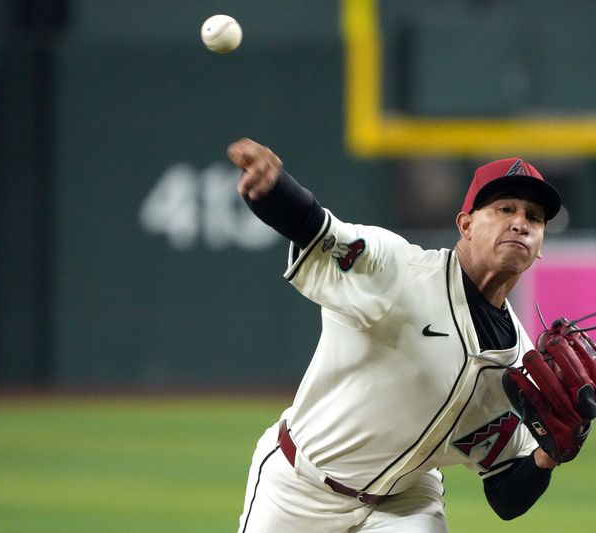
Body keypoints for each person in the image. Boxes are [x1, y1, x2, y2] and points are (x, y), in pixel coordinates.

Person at [228, 137, 565, 532]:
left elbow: (506, 495)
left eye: (535, 217)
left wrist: (547, 455)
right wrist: (273, 190)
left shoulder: (518, 363)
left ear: (540, 245)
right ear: (466, 225)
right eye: (505, 209)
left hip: (404, 504)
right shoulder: (398, 271)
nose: (520, 223)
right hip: (298, 487)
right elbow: (316, 227)